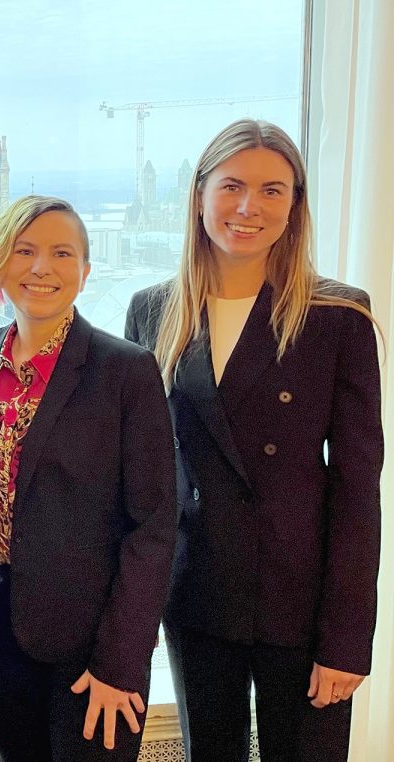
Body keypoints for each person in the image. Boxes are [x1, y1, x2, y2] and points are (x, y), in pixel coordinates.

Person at [125, 118, 383, 761]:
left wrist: (347, 639)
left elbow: (358, 491)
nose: (249, 207)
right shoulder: (153, 310)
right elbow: (140, 474)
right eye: (232, 185)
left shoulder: (338, 316)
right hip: (198, 590)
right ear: (199, 194)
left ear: (296, 204)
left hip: (304, 598)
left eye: (273, 190)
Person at [0, 195, 176, 761]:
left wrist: (120, 661)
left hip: (93, 648)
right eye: (23, 251)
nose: (41, 267)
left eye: (61, 253)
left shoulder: (125, 369)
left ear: (85, 270)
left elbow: (152, 527)